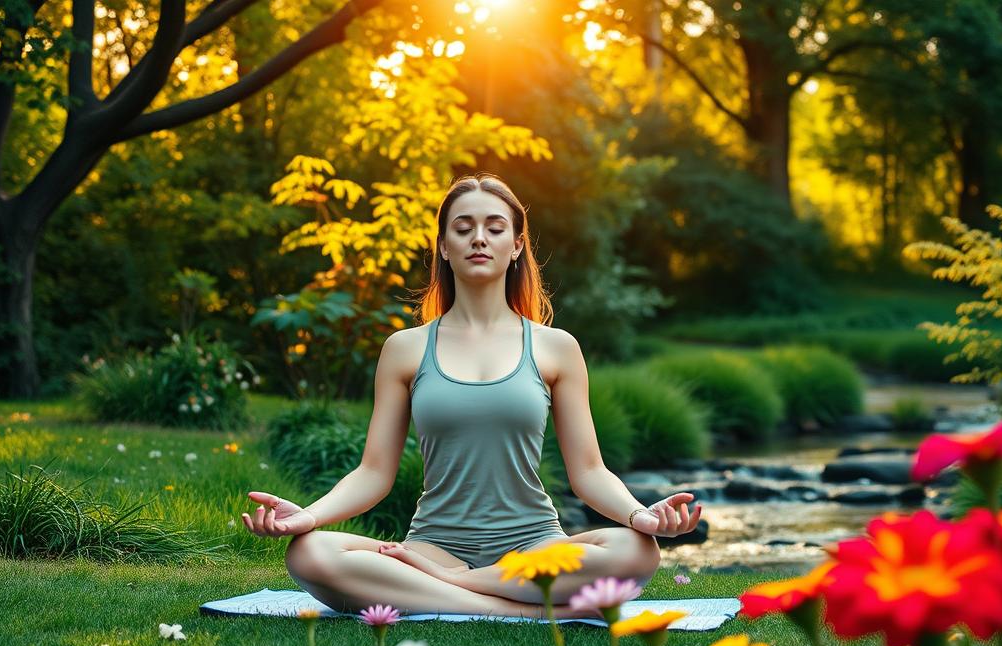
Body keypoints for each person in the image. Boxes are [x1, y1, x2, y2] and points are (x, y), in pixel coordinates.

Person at [243, 173, 702, 619]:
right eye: (463, 229)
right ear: (444, 246)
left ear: (516, 246)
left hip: (534, 548)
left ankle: (454, 588)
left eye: (494, 228)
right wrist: (308, 518)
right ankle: (521, 610)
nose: (478, 238)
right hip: (434, 546)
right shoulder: (405, 349)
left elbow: (588, 471)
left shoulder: (556, 347)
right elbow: (373, 472)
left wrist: (639, 515)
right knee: (310, 552)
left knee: (637, 551)